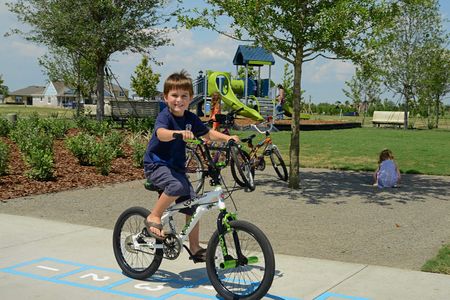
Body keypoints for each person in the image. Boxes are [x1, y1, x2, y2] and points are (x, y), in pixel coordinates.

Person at [143, 70, 239, 262]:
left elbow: (207, 134)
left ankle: (194, 247)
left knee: (194, 206)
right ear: (165, 97)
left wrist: (228, 138)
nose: (179, 100)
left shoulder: (190, 118)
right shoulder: (165, 116)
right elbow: (160, 133)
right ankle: (154, 216)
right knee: (178, 187)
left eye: (184, 96)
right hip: (156, 164)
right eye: (174, 96)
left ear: (191, 99)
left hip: (176, 168)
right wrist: (177, 133)